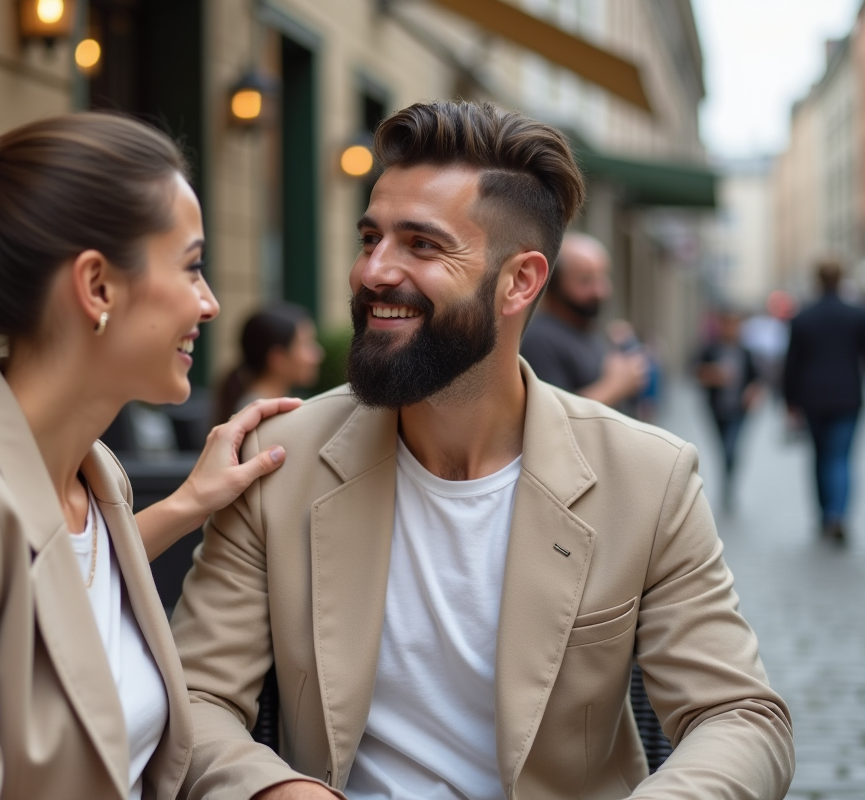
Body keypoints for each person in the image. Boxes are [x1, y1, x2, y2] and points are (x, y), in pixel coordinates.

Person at [170, 100, 794, 800]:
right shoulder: (277, 460)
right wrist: (272, 791)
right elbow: (193, 696)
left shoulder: (648, 477)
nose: (373, 271)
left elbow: (741, 717)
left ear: (520, 282)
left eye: (422, 245)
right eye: (369, 237)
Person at [0, 113, 301, 799]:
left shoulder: (96, 478)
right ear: (97, 287)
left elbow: (53, 587)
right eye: (191, 266)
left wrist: (189, 503)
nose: (210, 303)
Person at [783, 261, 865, 542]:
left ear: (817, 279)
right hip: (848, 396)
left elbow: (791, 364)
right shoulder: (857, 314)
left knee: (820, 456)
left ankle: (825, 515)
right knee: (841, 457)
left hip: (811, 397)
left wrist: (789, 401)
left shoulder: (803, 317)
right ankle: (838, 514)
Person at [520, 232, 647, 408]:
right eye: (585, 280)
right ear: (553, 284)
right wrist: (615, 386)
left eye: (603, 277)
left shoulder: (583, 326)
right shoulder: (538, 339)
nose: (600, 291)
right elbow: (552, 416)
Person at [695, 310, 764, 511]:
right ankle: (727, 483)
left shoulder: (746, 352)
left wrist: (752, 392)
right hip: (716, 409)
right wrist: (714, 375)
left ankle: (729, 486)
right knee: (722, 448)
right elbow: (696, 371)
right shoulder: (711, 349)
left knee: (731, 448)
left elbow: (757, 379)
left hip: (739, 410)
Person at [215, 303, 325, 424]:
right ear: (278, 358)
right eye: (306, 344)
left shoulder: (260, 408)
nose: (318, 355)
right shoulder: (258, 417)